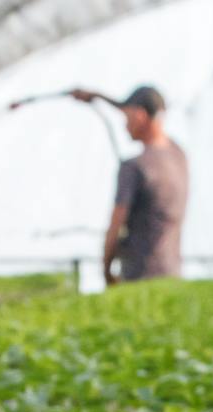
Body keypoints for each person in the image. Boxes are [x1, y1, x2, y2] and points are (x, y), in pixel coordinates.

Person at [69, 85, 188, 286]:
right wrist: (97, 96)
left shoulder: (134, 167)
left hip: (139, 275)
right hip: (171, 271)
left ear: (141, 116)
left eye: (127, 119)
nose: (125, 126)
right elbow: (145, 110)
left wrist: (106, 270)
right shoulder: (178, 154)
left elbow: (116, 223)